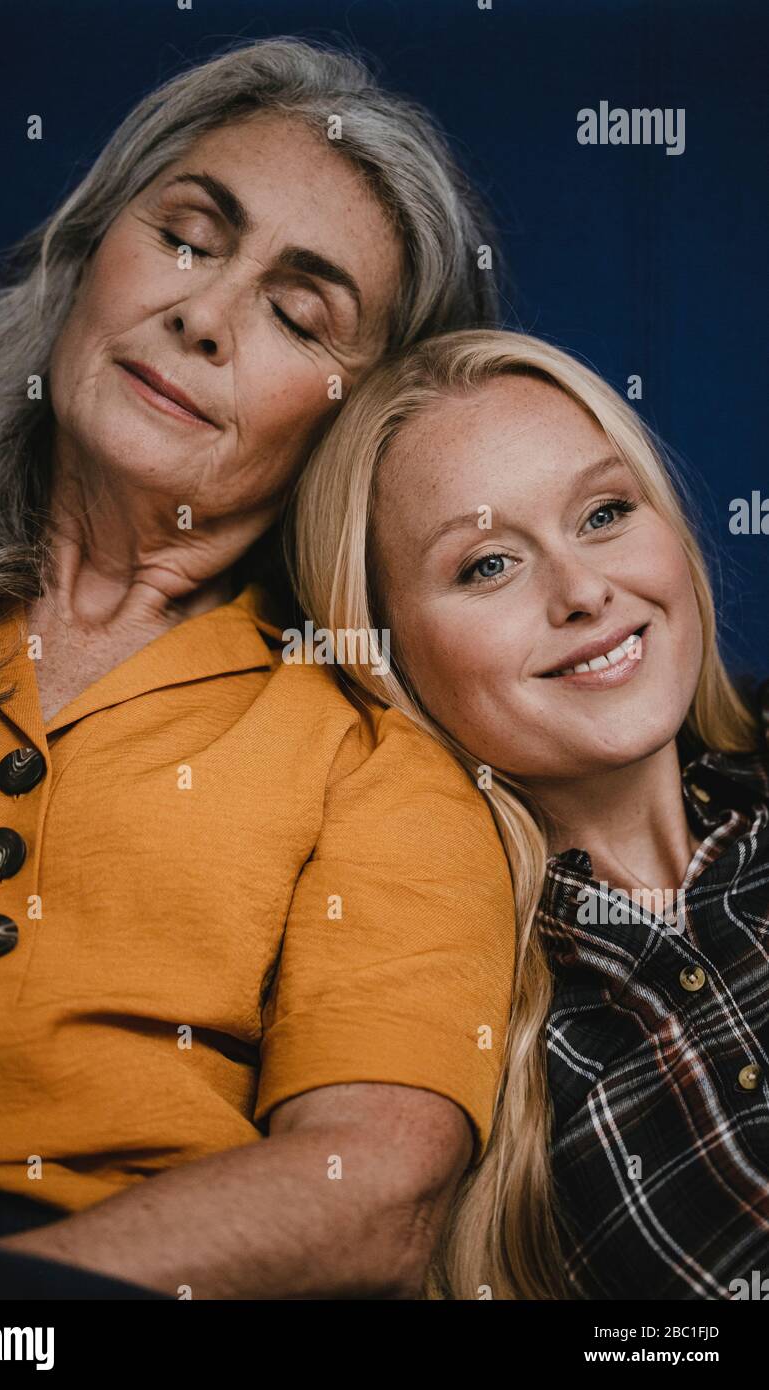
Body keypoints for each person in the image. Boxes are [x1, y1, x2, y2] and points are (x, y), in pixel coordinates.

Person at [0, 40, 517, 1299]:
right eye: (185, 237)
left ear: (351, 425)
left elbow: (371, 1187)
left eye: (298, 315)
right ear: (87, 254)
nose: (202, 315)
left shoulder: (373, 758)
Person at [289, 326, 769, 1300]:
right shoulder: (442, 1017)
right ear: (384, 653)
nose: (584, 590)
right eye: (487, 566)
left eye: (601, 513)